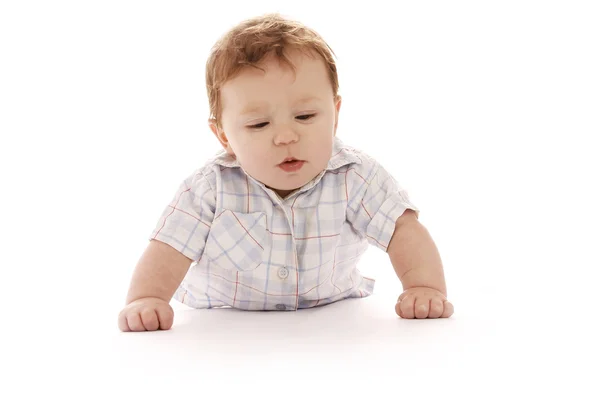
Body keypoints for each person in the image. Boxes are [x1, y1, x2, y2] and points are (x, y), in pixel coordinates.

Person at [118, 13, 454, 332]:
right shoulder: (210, 188)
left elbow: (403, 230)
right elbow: (169, 246)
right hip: (224, 323)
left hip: (334, 320)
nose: (286, 136)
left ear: (334, 114)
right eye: (259, 124)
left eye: (306, 116)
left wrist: (424, 286)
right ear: (224, 136)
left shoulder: (355, 175)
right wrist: (148, 298)